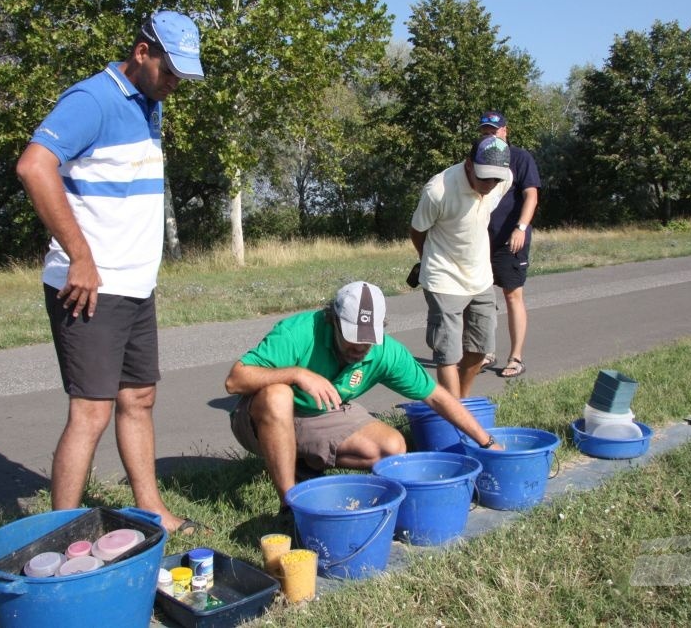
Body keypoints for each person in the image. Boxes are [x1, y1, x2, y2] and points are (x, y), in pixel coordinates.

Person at [15, 10, 206, 535]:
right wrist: (79, 256)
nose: (174, 85)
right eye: (170, 72)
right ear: (142, 52)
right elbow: (34, 166)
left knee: (139, 399)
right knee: (91, 412)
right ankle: (62, 533)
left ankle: (152, 510)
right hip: (90, 287)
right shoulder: (93, 99)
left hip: (135, 284)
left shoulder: (149, 102)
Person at [225, 281, 500, 512]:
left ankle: (305, 462)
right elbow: (235, 380)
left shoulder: (385, 352)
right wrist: (298, 374)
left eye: (367, 338)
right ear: (332, 319)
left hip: (320, 415)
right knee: (278, 394)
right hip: (258, 420)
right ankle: (289, 506)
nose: (360, 347)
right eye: (352, 336)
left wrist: (487, 442)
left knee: (392, 447)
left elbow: (438, 397)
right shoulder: (297, 332)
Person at [409, 135, 512, 399]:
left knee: (481, 347)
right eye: (484, 177)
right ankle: (454, 417)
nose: (491, 185)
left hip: (480, 278)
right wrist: (430, 260)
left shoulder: (503, 179)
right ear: (468, 165)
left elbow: (495, 188)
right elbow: (417, 231)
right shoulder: (438, 191)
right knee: (448, 354)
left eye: (495, 179)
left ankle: (460, 404)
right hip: (443, 278)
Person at [478, 111, 541, 378]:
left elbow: (531, 196)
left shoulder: (520, 158)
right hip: (481, 238)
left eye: (494, 130)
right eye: (485, 131)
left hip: (510, 238)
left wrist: (521, 228)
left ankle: (515, 358)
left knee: (512, 295)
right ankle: (483, 352)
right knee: (480, 296)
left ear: (505, 130)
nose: (490, 134)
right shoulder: (477, 155)